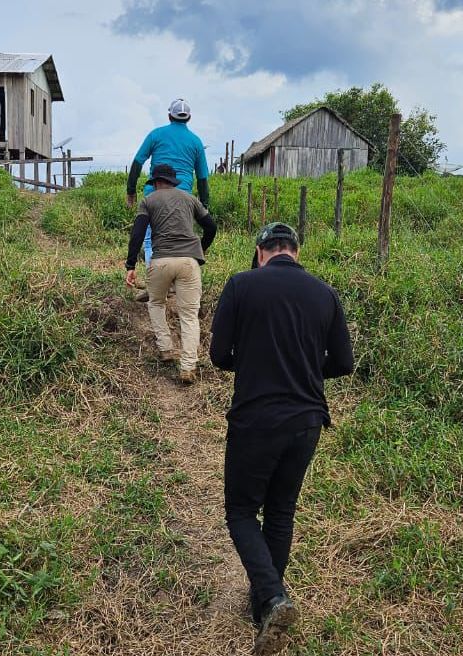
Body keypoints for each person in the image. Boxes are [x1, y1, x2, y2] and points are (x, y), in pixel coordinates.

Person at [209, 223, 354, 655]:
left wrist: (254, 363)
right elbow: (344, 363)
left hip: (257, 419)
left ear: (260, 252)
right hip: (307, 421)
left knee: (239, 511)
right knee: (280, 510)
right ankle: (264, 606)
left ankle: (272, 597)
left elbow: (219, 356)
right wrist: (306, 369)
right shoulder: (324, 292)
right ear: (296, 250)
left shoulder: (241, 285)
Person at [125, 164, 217, 383]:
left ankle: (166, 349)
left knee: (156, 303)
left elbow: (137, 234)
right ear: (173, 181)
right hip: (188, 262)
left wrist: (130, 266)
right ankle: (187, 368)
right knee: (189, 315)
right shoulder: (190, 199)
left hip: (161, 262)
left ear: (156, 182)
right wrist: (201, 248)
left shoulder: (149, 201)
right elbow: (211, 227)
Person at [126, 99, 210, 297]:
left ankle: (154, 285)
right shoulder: (196, 142)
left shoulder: (156, 135)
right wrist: (203, 205)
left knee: (150, 240)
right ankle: (177, 284)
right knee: (179, 240)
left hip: (153, 196)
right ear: (188, 118)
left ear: (169, 116)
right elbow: (203, 177)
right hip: (184, 200)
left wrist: (131, 190)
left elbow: (138, 161)